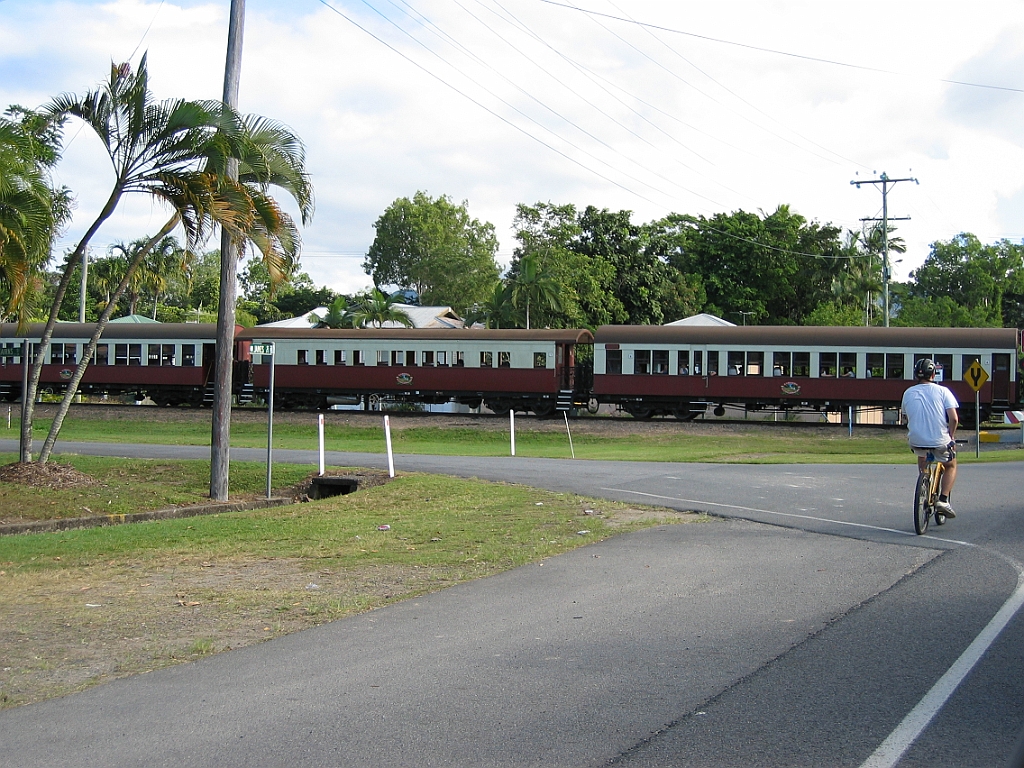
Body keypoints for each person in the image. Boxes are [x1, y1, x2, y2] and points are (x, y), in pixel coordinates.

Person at [901, 358, 960, 517]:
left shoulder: (908, 393)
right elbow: (954, 419)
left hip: (916, 440)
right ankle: (943, 499)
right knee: (951, 465)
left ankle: (924, 482)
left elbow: (905, 416)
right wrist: (951, 436)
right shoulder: (943, 391)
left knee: (923, 456)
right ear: (934, 374)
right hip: (940, 440)